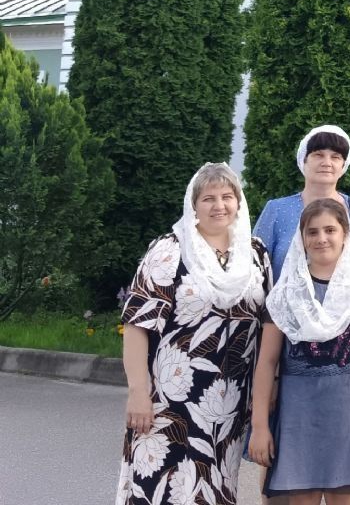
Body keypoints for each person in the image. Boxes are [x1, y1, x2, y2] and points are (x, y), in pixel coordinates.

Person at [115, 163, 270, 505]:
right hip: (169, 401)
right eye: (208, 198)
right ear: (193, 205)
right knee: (162, 490)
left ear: (239, 203)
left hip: (226, 405)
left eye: (228, 197)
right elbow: (137, 326)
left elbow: (268, 327)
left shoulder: (255, 254)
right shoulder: (170, 250)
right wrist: (138, 392)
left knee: (211, 490)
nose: (219, 206)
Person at [250, 198, 350, 504]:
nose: (321, 238)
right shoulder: (285, 293)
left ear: (345, 234)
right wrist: (260, 426)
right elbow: (267, 361)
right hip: (298, 417)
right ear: (301, 239)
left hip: (348, 416)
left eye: (330, 229)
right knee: (304, 497)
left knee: (345, 499)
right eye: (312, 232)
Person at [253, 124, 350, 279]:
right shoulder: (276, 209)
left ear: (344, 164)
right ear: (304, 160)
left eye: (335, 157)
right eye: (318, 155)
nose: (327, 162)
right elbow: (256, 267)